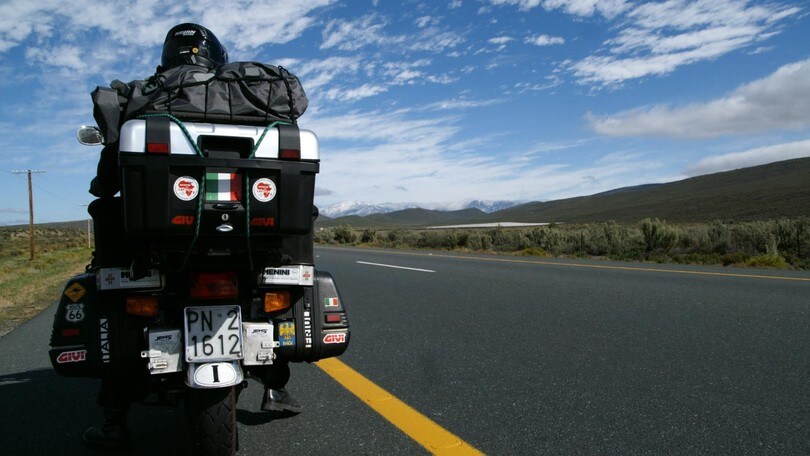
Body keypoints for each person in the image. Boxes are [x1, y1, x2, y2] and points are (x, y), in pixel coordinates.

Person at [83, 23, 301, 449]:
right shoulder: (251, 100)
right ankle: (275, 387)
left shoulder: (145, 96)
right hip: (252, 241)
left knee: (117, 293)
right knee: (269, 294)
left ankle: (113, 415)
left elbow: (108, 176)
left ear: (168, 56)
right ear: (217, 57)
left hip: (158, 247)